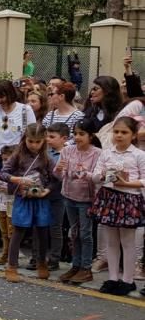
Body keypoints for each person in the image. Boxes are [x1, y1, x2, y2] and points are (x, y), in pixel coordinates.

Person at [90, 116, 145, 295]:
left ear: (133, 135)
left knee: (127, 242)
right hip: (109, 197)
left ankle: (128, 279)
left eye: (124, 132)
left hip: (129, 198)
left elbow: (144, 179)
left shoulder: (139, 155)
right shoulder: (106, 153)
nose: (119, 135)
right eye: (116, 132)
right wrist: (102, 174)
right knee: (111, 241)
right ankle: (113, 277)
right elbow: (95, 174)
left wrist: (127, 184)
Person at [0, 80, 36, 250]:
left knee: (13, 196)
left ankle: (13, 241)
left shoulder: (25, 110)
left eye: (3, 96)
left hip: (15, 158)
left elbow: (31, 134)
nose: (0, 101)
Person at [0, 123, 54, 283]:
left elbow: (55, 179)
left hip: (40, 199)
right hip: (23, 198)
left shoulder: (47, 158)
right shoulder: (17, 155)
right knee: (19, 231)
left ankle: (41, 262)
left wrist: (47, 191)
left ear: (44, 141)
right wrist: (17, 179)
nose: (34, 145)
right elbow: (3, 173)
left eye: (38, 142)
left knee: (42, 231)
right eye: (31, 141)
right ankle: (12, 265)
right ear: (25, 139)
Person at [54, 119, 101, 284]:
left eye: (82, 134)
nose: (78, 137)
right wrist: (59, 169)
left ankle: (86, 267)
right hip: (69, 196)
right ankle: (76, 264)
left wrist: (85, 173)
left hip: (86, 199)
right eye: (75, 133)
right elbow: (60, 175)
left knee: (85, 233)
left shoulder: (97, 153)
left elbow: (97, 177)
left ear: (91, 135)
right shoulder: (67, 151)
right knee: (74, 232)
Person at [45, 123, 70, 271]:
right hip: (43, 194)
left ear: (64, 138)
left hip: (58, 195)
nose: (48, 140)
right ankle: (39, 257)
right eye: (47, 136)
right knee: (40, 226)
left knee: (56, 227)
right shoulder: (46, 152)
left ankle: (54, 258)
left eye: (52, 137)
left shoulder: (66, 154)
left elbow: (62, 176)